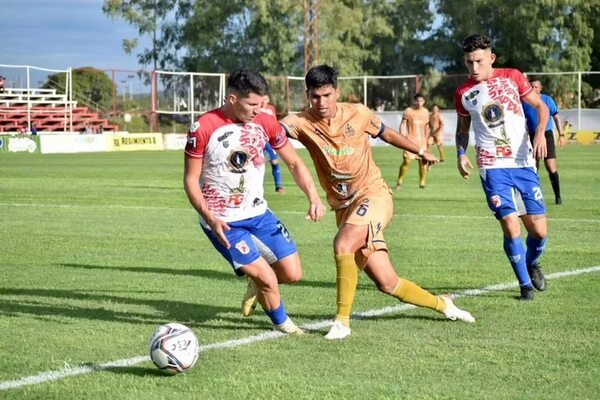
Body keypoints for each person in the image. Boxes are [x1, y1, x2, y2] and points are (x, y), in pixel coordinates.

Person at [281, 64, 475, 340]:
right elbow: (273, 131)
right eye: (314, 96)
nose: (321, 102)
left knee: (343, 244)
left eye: (326, 95)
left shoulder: (358, 113)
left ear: (337, 92)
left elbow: (386, 133)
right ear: (307, 94)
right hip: (344, 206)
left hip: (373, 194)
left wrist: (420, 150)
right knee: (388, 283)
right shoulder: (300, 121)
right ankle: (444, 305)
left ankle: (341, 323)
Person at [183, 67, 325, 335]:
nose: (258, 110)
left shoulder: (266, 121)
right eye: (252, 104)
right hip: (223, 221)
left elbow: (294, 162)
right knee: (268, 278)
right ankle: (286, 327)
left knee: (293, 274)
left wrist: (314, 196)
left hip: (259, 214)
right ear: (233, 99)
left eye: (262, 104)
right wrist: (210, 217)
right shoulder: (203, 127)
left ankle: (255, 281)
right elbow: (191, 180)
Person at [454, 34, 549, 301]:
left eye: (479, 61)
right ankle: (525, 286)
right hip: (492, 166)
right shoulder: (463, 93)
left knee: (539, 232)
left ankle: (532, 263)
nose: (473, 68)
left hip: (523, 163)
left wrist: (540, 134)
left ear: (491, 58)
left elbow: (540, 107)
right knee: (510, 224)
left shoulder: (513, 77)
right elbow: (463, 130)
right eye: (469, 62)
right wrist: (461, 153)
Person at [522, 80, 565, 205]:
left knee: (551, 167)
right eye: (531, 86)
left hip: (546, 135)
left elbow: (556, 117)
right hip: (532, 135)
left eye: (536, 87)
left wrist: (561, 135)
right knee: (533, 167)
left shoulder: (547, 100)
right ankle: (536, 196)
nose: (533, 89)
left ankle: (558, 196)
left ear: (540, 88)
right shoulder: (525, 102)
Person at [396, 93, 430, 189]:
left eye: (421, 101)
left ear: (424, 102)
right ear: (414, 101)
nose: (419, 103)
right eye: (417, 101)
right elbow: (403, 124)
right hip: (410, 141)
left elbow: (427, 127)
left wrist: (428, 140)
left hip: (422, 142)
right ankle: (400, 181)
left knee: (423, 163)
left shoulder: (426, 112)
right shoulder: (408, 111)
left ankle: (422, 183)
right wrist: (402, 137)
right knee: (407, 161)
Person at [261, 97, 285, 193]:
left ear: (268, 99)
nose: (264, 101)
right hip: (261, 138)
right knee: (259, 163)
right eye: (263, 99)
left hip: (270, 138)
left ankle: (278, 186)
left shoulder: (271, 109)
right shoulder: (256, 109)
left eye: (266, 99)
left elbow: (274, 122)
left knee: (275, 162)